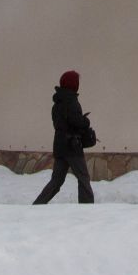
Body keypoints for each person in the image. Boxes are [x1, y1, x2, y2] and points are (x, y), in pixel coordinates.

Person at [32, 69, 97, 204]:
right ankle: (87, 208)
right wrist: (85, 121)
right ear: (73, 84)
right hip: (72, 146)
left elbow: (61, 123)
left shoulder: (57, 103)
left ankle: (37, 205)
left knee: (56, 181)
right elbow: (75, 121)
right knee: (83, 178)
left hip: (60, 146)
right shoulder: (71, 101)